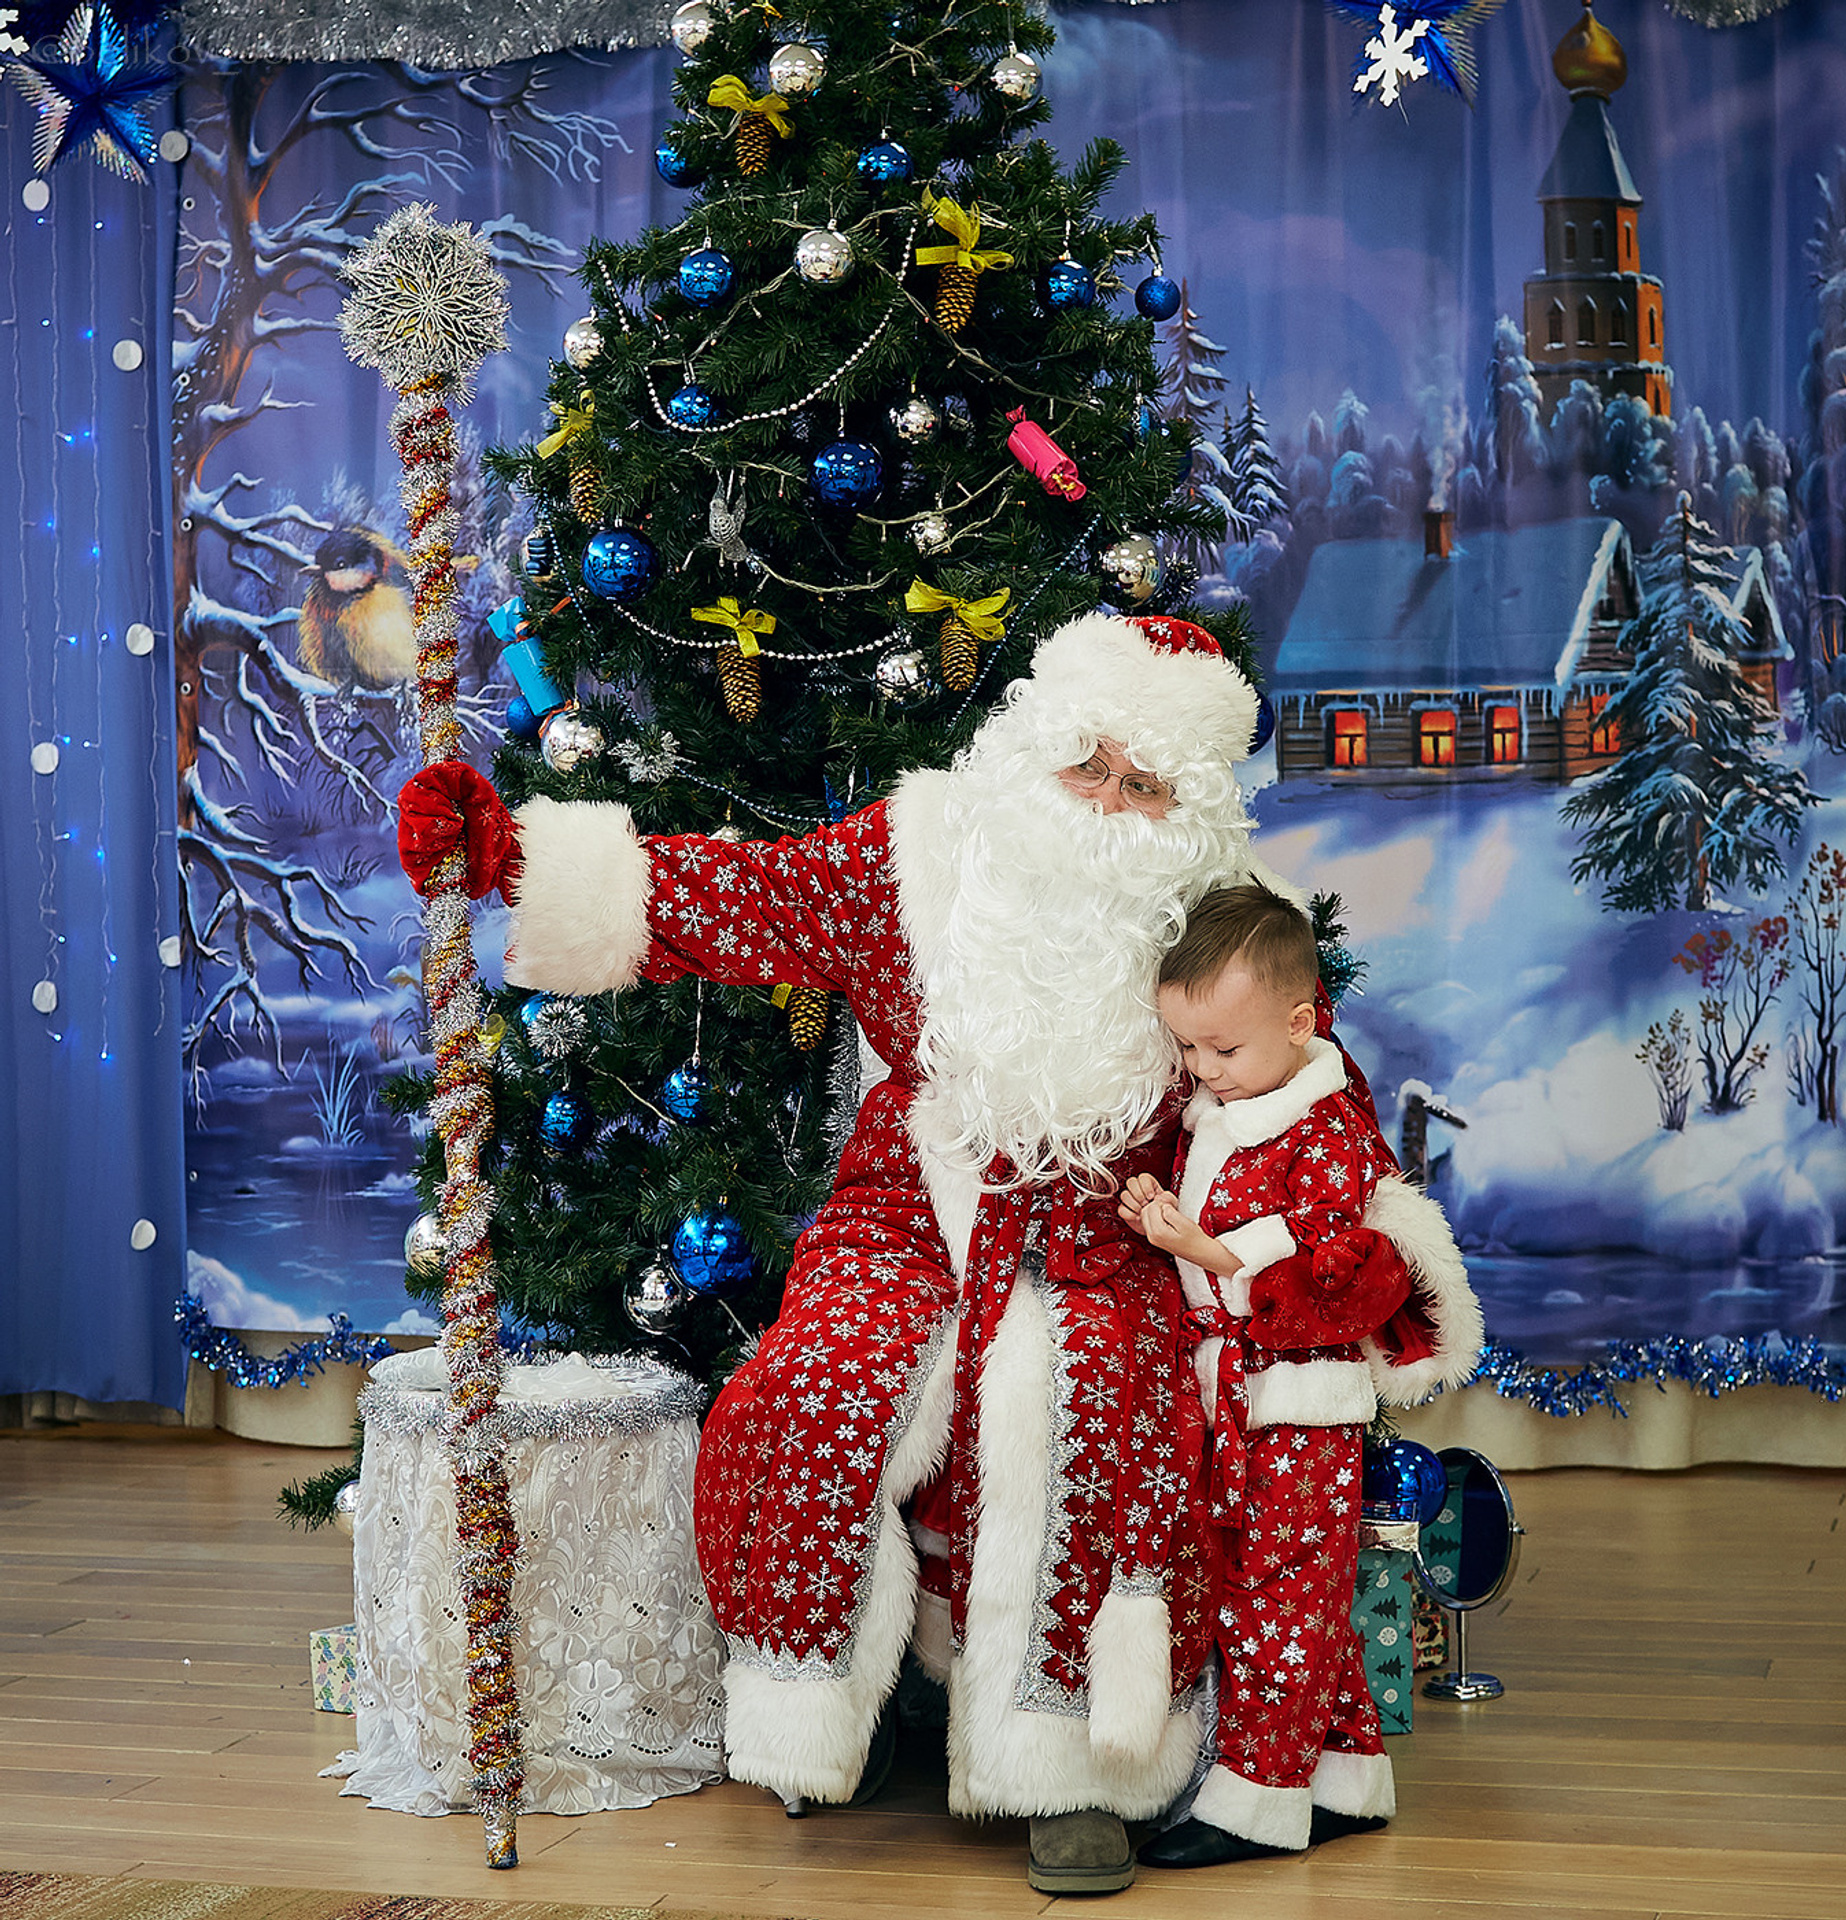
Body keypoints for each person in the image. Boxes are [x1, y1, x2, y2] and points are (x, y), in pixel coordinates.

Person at [400, 612, 1278, 1894]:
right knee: (823, 1379)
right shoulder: (919, 856)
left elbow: (1291, 1104)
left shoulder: (1228, 922)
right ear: (1033, 749)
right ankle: (829, 1706)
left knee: (1096, 1402)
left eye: (1142, 783)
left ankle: (1080, 1768)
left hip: (1114, 1233)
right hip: (911, 1206)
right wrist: (515, 856)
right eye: (1086, 763)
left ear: (1185, 808)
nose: (1104, 800)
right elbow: (746, 899)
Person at [1117, 885, 1482, 1868]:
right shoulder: (1219, 1111)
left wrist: (1212, 1253)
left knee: (1279, 1601)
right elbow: (1200, 1221)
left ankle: (1259, 1803)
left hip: (1299, 1410)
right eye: (1188, 1048)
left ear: (1299, 1020)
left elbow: (1348, 1278)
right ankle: (1345, 1774)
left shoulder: (1326, 1133)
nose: (1202, 1071)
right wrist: (1159, 1204)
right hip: (1234, 1403)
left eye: (1222, 1051)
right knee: (1290, 1592)